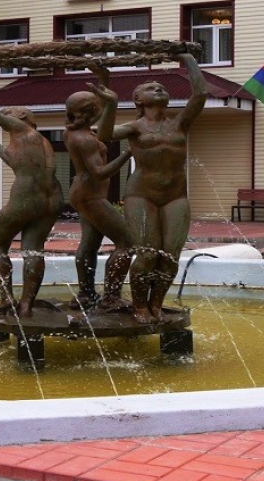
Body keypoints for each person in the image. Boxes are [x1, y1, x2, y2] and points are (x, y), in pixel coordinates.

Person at [92, 53, 207, 324]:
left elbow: (200, 94)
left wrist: (188, 58)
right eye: (151, 88)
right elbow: (104, 134)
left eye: (162, 87)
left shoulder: (179, 123)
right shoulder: (135, 127)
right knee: (146, 254)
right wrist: (110, 104)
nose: (159, 89)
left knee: (171, 256)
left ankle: (156, 305)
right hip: (141, 195)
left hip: (175, 196)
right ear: (138, 100)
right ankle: (140, 306)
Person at [0, 66, 63, 317]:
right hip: (52, 199)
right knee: (33, 249)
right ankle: (26, 306)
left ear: (21, 115)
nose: (3, 117)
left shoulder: (22, 129)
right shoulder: (39, 140)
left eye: (7, 113)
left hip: (26, 198)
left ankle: (7, 299)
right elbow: (16, 164)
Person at [64, 66, 134, 311]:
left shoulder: (74, 131)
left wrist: (104, 78)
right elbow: (99, 172)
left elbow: (102, 108)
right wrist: (127, 154)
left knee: (90, 243)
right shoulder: (84, 139)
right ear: (90, 112)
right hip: (90, 195)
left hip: (83, 193)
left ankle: (86, 295)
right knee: (126, 242)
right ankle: (111, 298)